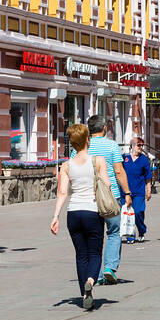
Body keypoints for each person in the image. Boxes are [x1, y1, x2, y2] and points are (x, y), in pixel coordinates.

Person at [50, 124, 108, 310]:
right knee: (95, 252)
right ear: (87, 140)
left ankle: (84, 295)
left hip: (73, 213)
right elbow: (106, 184)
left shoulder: (66, 165)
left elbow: (62, 193)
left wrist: (55, 216)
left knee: (81, 255)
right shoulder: (98, 160)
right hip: (92, 211)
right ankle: (90, 280)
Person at [88, 114, 132, 281]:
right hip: (111, 196)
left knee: (95, 236)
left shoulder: (81, 147)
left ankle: (96, 274)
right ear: (104, 128)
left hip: (90, 198)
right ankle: (110, 267)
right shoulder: (112, 145)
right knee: (114, 232)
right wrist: (127, 192)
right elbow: (119, 171)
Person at [121, 138, 154, 243]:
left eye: (142, 145)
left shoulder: (144, 159)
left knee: (139, 212)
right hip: (125, 192)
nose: (141, 147)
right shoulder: (124, 158)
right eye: (138, 145)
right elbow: (119, 173)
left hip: (139, 191)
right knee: (127, 214)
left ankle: (141, 231)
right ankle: (130, 235)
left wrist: (148, 190)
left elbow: (148, 177)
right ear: (132, 146)